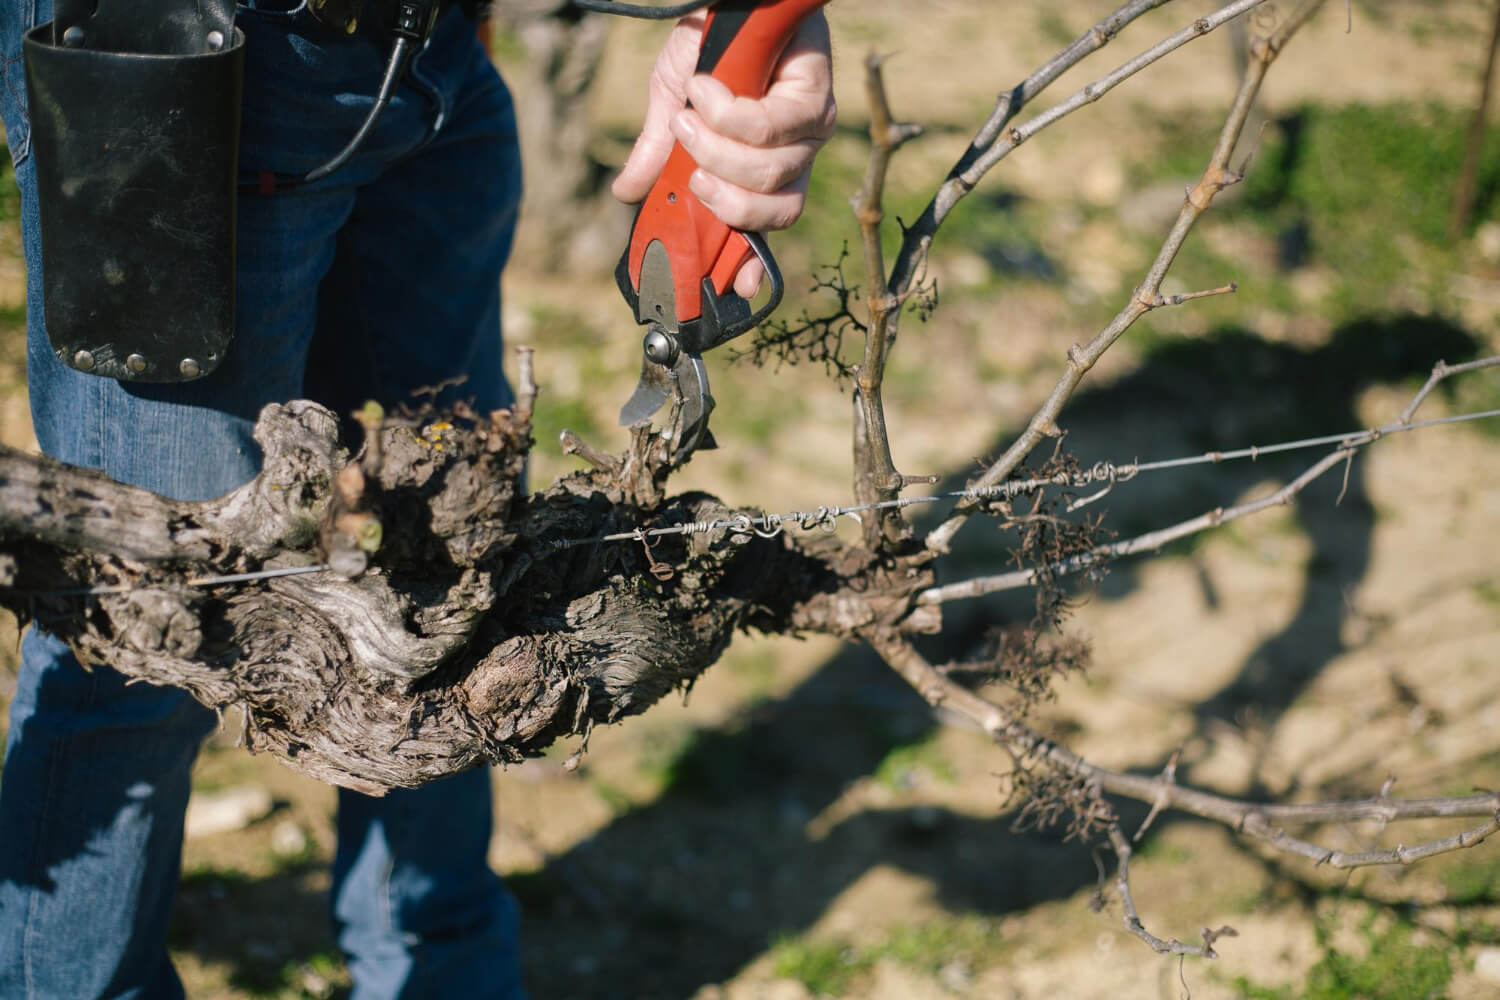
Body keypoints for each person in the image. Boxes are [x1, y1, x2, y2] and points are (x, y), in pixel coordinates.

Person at [0, 1, 834, 996]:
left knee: (458, 573)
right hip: (176, 55)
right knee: (147, 629)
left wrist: (740, 18)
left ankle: (442, 969)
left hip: (434, 62)